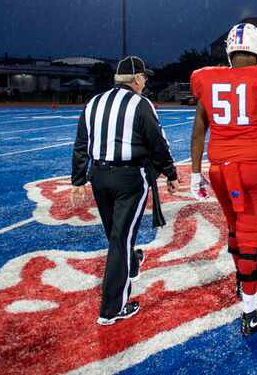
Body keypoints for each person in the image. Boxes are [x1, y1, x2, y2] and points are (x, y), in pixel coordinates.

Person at [188, 23, 257, 336]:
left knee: (236, 227)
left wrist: (195, 173)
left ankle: (241, 278)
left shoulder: (207, 79)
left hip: (219, 168)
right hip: (254, 168)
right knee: (251, 234)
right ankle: (249, 311)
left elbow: (199, 130)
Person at [70, 55, 179, 325]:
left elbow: (81, 143)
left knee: (116, 233)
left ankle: (131, 262)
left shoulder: (93, 102)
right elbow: (157, 142)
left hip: (99, 176)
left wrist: (78, 179)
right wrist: (170, 172)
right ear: (138, 79)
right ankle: (111, 309)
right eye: (145, 78)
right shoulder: (141, 105)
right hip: (129, 177)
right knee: (120, 238)